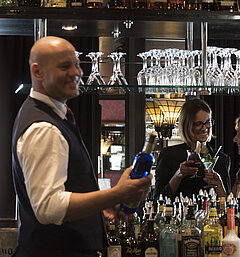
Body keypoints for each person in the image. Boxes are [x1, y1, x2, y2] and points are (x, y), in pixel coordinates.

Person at [11, 36, 152, 257]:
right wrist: (116, 194)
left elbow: (67, 191)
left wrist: (98, 206)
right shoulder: (44, 127)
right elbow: (48, 208)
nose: (76, 73)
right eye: (64, 66)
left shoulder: (54, 116)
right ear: (37, 72)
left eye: (77, 64)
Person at [154, 98, 231, 200]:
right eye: (198, 124)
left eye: (208, 122)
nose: (205, 128)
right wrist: (178, 175)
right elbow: (157, 201)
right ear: (187, 125)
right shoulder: (169, 155)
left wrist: (218, 185)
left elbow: (228, 206)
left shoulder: (221, 159)